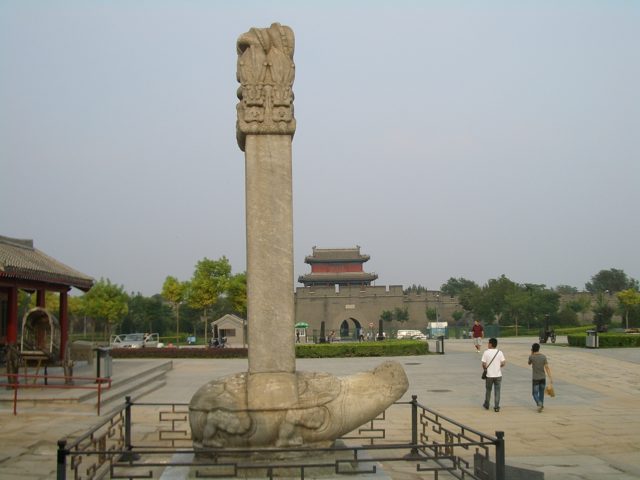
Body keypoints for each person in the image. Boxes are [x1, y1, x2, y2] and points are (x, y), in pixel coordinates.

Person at [482, 338, 506, 412]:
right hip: (498, 375)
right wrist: (499, 366)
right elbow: (503, 363)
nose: (488, 344)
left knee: (488, 390)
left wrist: (485, 369)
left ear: (491, 344)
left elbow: (483, 364)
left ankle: (487, 405)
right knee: (497, 391)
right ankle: (496, 407)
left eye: (488, 343)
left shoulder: (486, 352)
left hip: (489, 375)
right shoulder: (500, 352)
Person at [528, 342, 552, 412]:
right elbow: (547, 367)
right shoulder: (543, 357)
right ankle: (541, 406)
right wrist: (550, 377)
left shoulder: (531, 357)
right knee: (541, 393)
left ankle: (539, 403)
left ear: (532, 349)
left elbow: (529, 363)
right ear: (539, 349)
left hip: (535, 378)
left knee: (535, 393)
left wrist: (531, 353)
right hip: (543, 378)